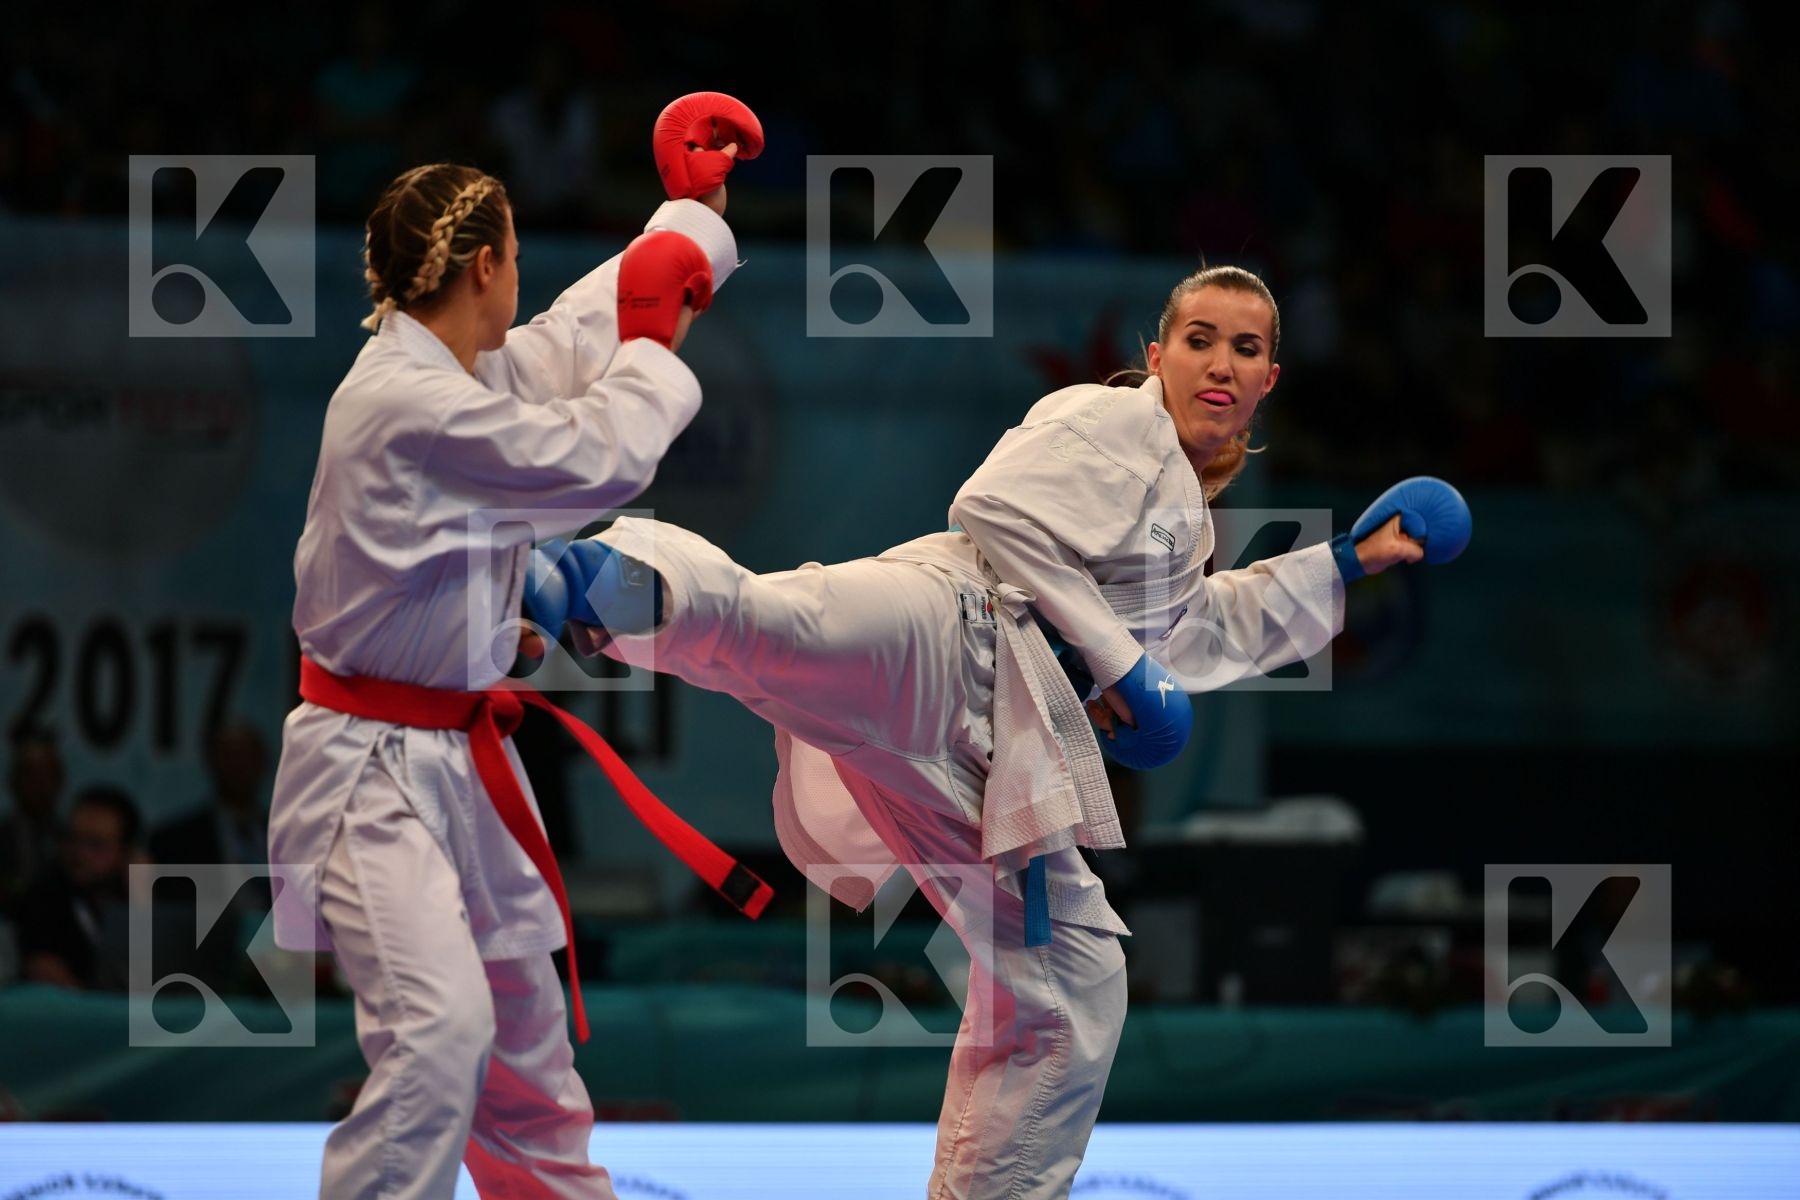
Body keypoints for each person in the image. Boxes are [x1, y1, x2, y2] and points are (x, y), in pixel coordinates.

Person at [533, 265, 1469, 1199]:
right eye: (1199, 340)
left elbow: (1202, 630)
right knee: (779, 626)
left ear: (1271, 379)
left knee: (1075, 976)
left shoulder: (1183, 521)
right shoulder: (1108, 419)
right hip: (950, 625)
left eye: (1247, 348)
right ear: (1156, 357)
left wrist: (1348, 561)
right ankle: (578, 581)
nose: (1220, 363)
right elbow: (993, 510)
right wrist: (1122, 665)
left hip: (987, 764)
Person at [266, 92, 764, 1200]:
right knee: (439, 1035)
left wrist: (688, 223)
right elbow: (593, 453)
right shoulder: (407, 405)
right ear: (487, 263)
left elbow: (572, 340)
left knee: (527, 1056)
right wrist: (649, 338)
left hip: (457, 761)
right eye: (520, 260)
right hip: (366, 774)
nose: (526, 283)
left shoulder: (452, 376)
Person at [15, 784, 141, 991]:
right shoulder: (44, 897)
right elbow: (48, 977)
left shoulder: (145, 894)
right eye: (72, 839)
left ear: (125, 852)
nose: (79, 853)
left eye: (95, 844)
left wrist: (141, 896)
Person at [0, 732, 66, 914]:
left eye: (47, 774)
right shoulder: (3, 836)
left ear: (60, 780)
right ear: (13, 781)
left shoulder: (71, 838)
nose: (39, 784)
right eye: (30, 774)